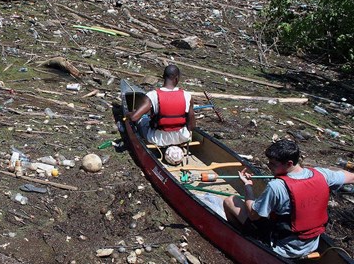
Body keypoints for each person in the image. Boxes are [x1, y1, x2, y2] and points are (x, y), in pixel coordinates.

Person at [223, 139, 354, 258]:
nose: (269, 165)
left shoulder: (277, 187)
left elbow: (253, 215)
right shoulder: (323, 175)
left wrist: (247, 186)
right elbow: (350, 177)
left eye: (273, 164)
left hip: (283, 248)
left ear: (289, 163)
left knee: (230, 201)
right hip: (311, 244)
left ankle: (245, 242)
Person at [125, 64, 196, 147]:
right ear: (177, 78)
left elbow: (134, 117)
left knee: (143, 120)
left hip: (158, 139)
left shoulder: (152, 95)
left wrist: (128, 114)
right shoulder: (187, 96)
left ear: (163, 77)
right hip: (182, 138)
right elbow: (192, 125)